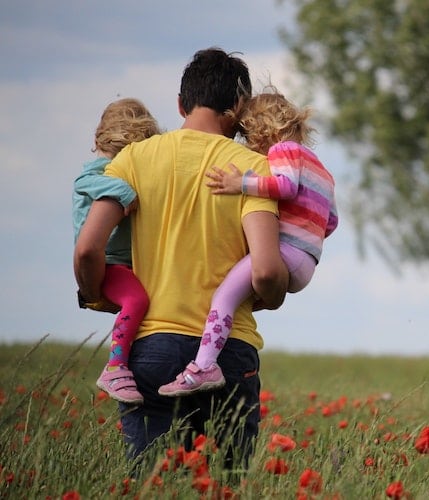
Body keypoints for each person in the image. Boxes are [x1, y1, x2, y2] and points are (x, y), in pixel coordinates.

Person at [73, 48, 289, 466]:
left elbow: (87, 248)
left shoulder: (133, 159)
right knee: (225, 487)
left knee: (152, 483)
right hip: (228, 352)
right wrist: (274, 293)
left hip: (150, 348)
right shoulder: (253, 170)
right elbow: (264, 270)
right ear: (239, 108)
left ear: (180, 103)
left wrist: (96, 293)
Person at [159, 89, 338, 397]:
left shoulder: (284, 151)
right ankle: (213, 351)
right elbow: (331, 221)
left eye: (248, 135)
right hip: (307, 261)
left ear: (264, 129)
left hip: (285, 252)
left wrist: (239, 184)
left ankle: (203, 366)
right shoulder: (322, 170)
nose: (248, 144)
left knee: (223, 297)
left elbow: (284, 186)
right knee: (239, 296)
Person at [73, 98, 160, 404]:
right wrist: (125, 192)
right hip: (108, 263)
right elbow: (85, 182)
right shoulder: (100, 171)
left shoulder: (114, 167)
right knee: (137, 299)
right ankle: (115, 366)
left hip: (123, 263)